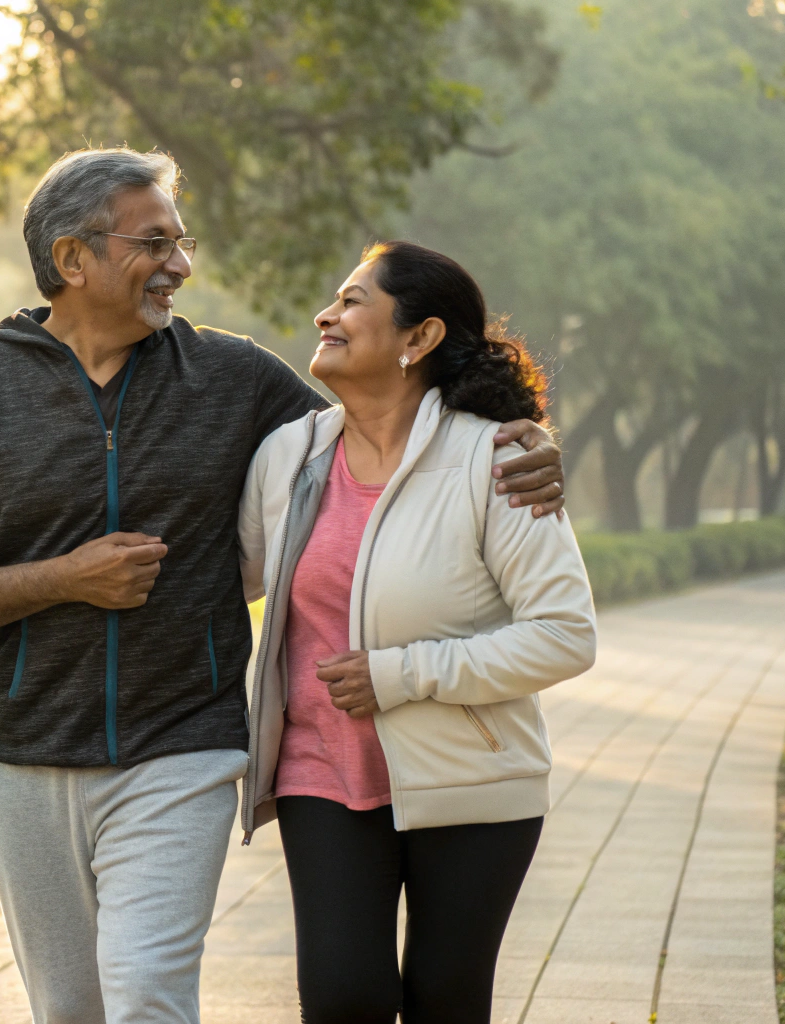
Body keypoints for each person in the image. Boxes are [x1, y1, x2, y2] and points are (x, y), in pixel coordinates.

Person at [0, 149, 565, 1024]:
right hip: (20, 752)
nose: (180, 265)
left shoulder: (233, 377)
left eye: (182, 241)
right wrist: (52, 583)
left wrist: (524, 437)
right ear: (72, 258)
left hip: (184, 743)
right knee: (71, 1009)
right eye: (154, 243)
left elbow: (385, 439)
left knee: (147, 997)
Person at [238, 240, 597, 1024]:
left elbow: (566, 632)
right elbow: (222, 580)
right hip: (320, 774)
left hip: (473, 778)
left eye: (353, 300)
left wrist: (400, 674)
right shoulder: (288, 457)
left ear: (420, 336)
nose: (325, 315)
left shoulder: (495, 459)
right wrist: (21, 596)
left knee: (446, 1001)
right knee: (343, 998)